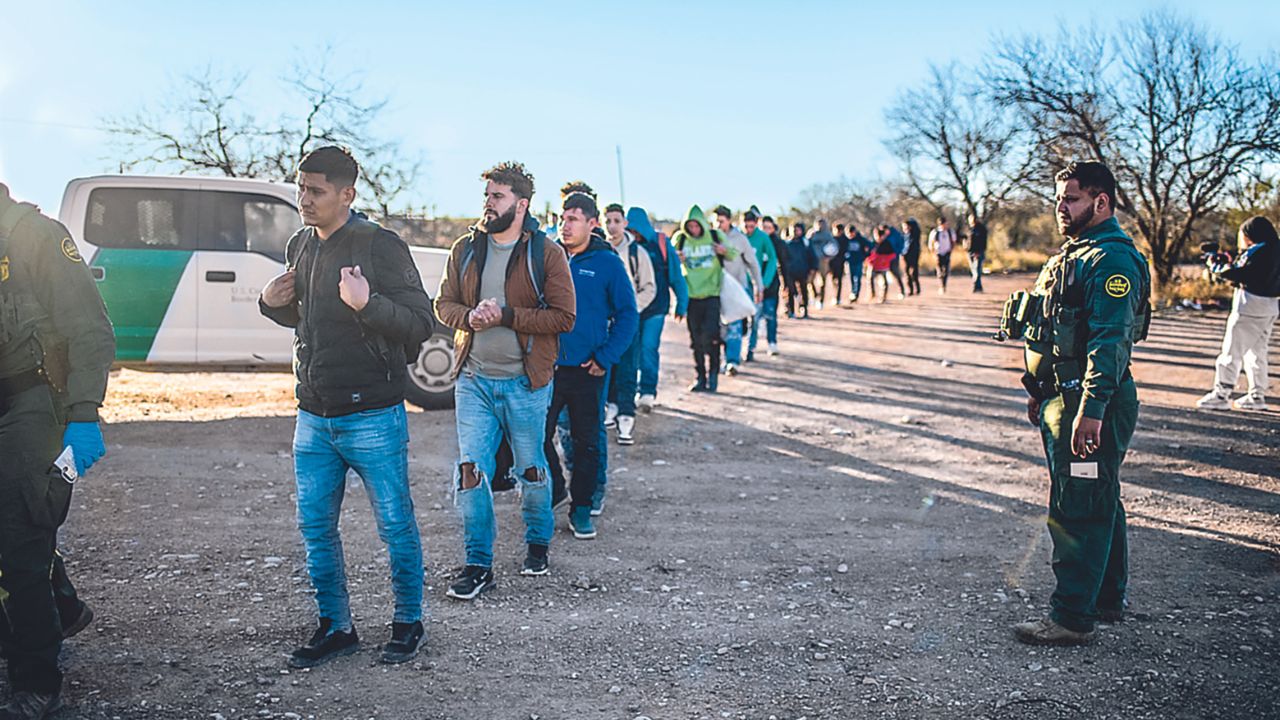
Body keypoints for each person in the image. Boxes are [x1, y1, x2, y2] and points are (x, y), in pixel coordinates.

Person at [259, 147, 435, 667]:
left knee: (395, 525)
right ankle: (336, 627)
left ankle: (408, 623)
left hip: (373, 416)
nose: (304, 200)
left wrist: (368, 304)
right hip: (312, 416)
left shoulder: (381, 245)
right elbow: (304, 322)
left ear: (347, 195)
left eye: (315, 191)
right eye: (301, 189)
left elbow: (420, 325)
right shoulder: (299, 245)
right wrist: (270, 305)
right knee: (316, 528)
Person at [1007, 160, 1151, 646]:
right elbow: (1056, 332)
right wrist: (1040, 391)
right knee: (1099, 497)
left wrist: (1090, 410)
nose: (1061, 208)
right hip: (1062, 399)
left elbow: (1110, 342)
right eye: (1058, 200)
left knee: (1077, 506)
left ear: (1101, 201)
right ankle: (1104, 599)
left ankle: (1071, 617)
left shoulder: (1111, 260)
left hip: (1090, 404)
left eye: (1070, 199)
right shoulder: (1078, 252)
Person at [433, 161, 575, 593]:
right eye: (487, 196)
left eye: (498, 197)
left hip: (525, 383)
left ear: (521, 203)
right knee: (471, 469)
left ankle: (537, 542)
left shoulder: (546, 253)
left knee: (530, 469)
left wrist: (508, 316)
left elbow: (564, 316)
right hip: (473, 379)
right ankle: (478, 564)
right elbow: (444, 305)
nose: (488, 204)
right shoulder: (465, 248)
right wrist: (469, 316)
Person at [0, 182, 114, 718]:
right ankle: (62, 605)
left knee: (21, 535)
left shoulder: (35, 236)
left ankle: (36, 681)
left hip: (30, 398)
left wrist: (84, 413)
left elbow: (89, 329)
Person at [545, 193, 638, 538]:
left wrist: (605, 357)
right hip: (547, 368)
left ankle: (581, 507)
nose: (564, 225)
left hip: (588, 369)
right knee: (536, 435)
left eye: (573, 219)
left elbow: (628, 315)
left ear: (592, 224)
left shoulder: (607, 263)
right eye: (561, 218)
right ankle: (555, 488)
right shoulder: (548, 257)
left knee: (587, 442)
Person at [1195, 216, 1280, 411]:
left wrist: (1215, 267)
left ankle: (1221, 393)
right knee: (1257, 353)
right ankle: (1257, 395)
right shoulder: (1275, 248)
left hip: (1249, 306)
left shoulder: (1258, 251)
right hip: (1270, 306)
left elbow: (1240, 274)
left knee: (1231, 351)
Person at [603, 204, 655, 445]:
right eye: (608, 220)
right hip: (603, 322)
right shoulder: (598, 250)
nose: (612, 225)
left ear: (625, 223)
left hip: (628, 321)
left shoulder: (637, 254)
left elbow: (649, 287)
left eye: (616, 220)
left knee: (627, 366)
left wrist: (632, 310)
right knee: (606, 365)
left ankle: (626, 414)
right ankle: (610, 406)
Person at [628, 207, 688, 413]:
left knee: (648, 348)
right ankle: (631, 390)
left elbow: (675, 274)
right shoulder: (624, 246)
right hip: (631, 309)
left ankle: (647, 392)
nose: (634, 234)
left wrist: (682, 302)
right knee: (632, 350)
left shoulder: (660, 243)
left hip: (656, 307)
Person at [673, 205, 734, 392]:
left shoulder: (715, 236)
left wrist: (723, 250)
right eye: (690, 226)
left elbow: (734, 254)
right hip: (691, 295)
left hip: (712, 294)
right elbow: (669, 262)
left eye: (696, 226)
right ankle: (700, 376)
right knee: (696, 340)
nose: (694, 230)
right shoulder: (680, 239)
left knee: (711, 336)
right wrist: (677, 258)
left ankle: (714, 373)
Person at [712, 206, 762, 376]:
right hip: (714, 289)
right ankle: (719, 360)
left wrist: (758, 286)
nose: (718, 225)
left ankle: (732, 361)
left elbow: (753, 263)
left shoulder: (739, 239)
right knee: (718, 327)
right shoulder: (710, 238)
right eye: (715, 221)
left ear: (729, 221)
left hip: (737, 288)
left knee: (734, 325)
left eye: (721, 221)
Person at [744, 209, 781, 359]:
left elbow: (773, 260)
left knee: (761, 316)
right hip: (742, 284)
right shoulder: (739, 237)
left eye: (752, 226)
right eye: (746, 226)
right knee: (742, 318)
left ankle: (752, 349)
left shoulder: (763, 238)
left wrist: (764, 282)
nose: (749, 230)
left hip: (760, 284)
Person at [784, 222, 814, 318]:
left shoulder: (806, 243)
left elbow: (812, 256)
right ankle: (791, 311)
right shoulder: (787, 243)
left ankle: (804, 310)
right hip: (790, 272)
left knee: (804, 291)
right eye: (794, 230)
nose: (796, 232)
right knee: (790, 292)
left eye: (798, 230)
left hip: (803, 271)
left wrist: (812, 268)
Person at [807, 219, 836, 309]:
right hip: (811, 260)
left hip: (823, 261)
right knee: (809, 281)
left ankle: (821, 300)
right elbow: (805, 245)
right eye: (818, 224)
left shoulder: (827, 235)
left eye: (822, 224)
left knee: (822, 282)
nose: (820, 226)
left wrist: (829, 257)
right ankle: (815, 295)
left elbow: (835, 247)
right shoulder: (811, 234)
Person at [866, 231, 897, 304]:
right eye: (876, 236)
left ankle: (883, 297)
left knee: (884, 282)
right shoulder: (872, 243)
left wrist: (884, 259)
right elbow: (867, 254)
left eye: (880, 236)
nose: (878, 238)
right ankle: (872, 294)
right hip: (873, 265)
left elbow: (893, 255)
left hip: (883, 266)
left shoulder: (887, 244)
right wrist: (869, 259)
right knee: (869, 279)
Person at [845, 224, 872, 303]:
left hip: (858, 261)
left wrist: (865, 255)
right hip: (849, 261)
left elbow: (870, 245)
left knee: (857, 278)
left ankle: (856, 294)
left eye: (851, 233)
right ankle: (852, 292)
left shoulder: (860, 239)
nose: (850, 235)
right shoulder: (846, 239)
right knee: (851, 278)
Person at [929, 216, 957, 294]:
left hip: (947, 252)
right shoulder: (935, 232)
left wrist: (951, 250)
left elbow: (954, 241)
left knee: (946, 270)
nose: (944, 225)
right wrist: (933, 252)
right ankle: (941, 285)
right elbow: (931, 243)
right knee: (939, 270)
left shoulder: (950, 232)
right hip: (938, 252)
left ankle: (944, 285)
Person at [827, 223, 850, 306]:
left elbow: (845, 251)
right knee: (833, 279)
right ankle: (834, 296)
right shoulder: (831, 238)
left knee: (839, 280)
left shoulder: (845, 240)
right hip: (832, 263)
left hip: (840, 263)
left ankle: (838, 297)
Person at [966, 213, 988, 293]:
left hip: (978, 252)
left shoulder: (981, 229)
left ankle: (975, 286)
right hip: (970, 252)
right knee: (973, 270)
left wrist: (978, 251)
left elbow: (983, 242)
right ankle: (979, 287)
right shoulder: (970, 229)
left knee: (977, 270)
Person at [902, 218, 923, 296]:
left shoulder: (914, 235)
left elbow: (910, 246)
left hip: (913, 255)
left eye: (905, 226)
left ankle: (917, 289)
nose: (904, 228)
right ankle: (910, 289)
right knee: (907, 272)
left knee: (914, 272)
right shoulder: (904, 235)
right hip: (906, 256)